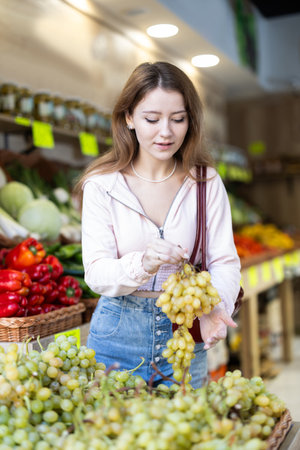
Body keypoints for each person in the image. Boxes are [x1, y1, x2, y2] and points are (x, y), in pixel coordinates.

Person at [75, 61, 241, 388]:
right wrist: (144, 263)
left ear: (190, 121)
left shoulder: (205, 182)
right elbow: (96, 271)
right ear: (129, 118)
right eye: (152, 119)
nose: (166, 132)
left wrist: (212, 307)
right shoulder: (102, 185)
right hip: (116, 337)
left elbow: (224, 261)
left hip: (185, 333)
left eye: (177, 119)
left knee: (184, 436)